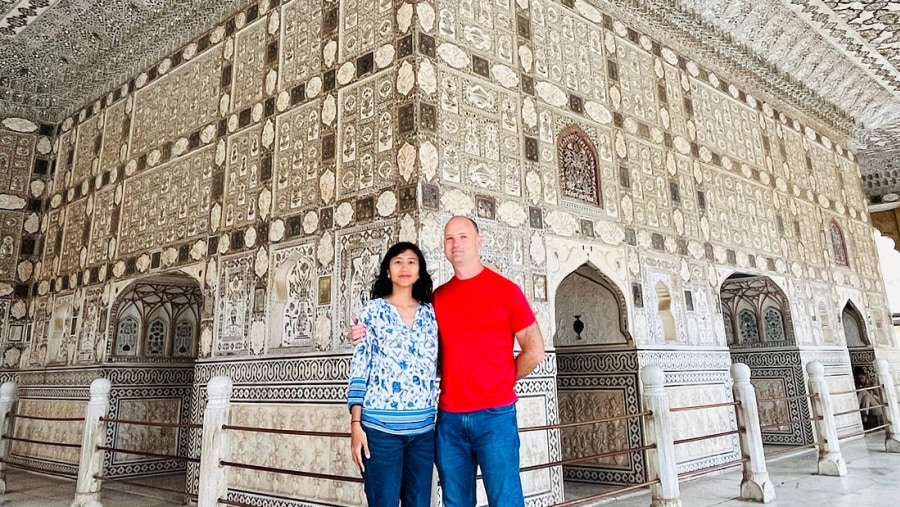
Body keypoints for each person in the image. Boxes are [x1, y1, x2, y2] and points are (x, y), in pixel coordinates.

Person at [352, 216, 546, 507]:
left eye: (463, 237)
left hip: (494, 417)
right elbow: (425, 352)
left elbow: (535, 350)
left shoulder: (506, 291)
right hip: (449, 420)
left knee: (505, 499)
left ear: (478, 241)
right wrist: (361, 332)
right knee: (455, 501)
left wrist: (501, 382)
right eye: (450, 238)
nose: (456, 244)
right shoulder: (438, 300)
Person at [347, 241, 439, 507]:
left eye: (412, 261)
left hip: (423, 432)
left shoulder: (431, 314)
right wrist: (356, 425)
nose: (405, 267)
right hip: (379, 430)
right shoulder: (373, 312)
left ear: (420, 271)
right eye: (398, 261)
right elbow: (360, 367)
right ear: (388, 271)